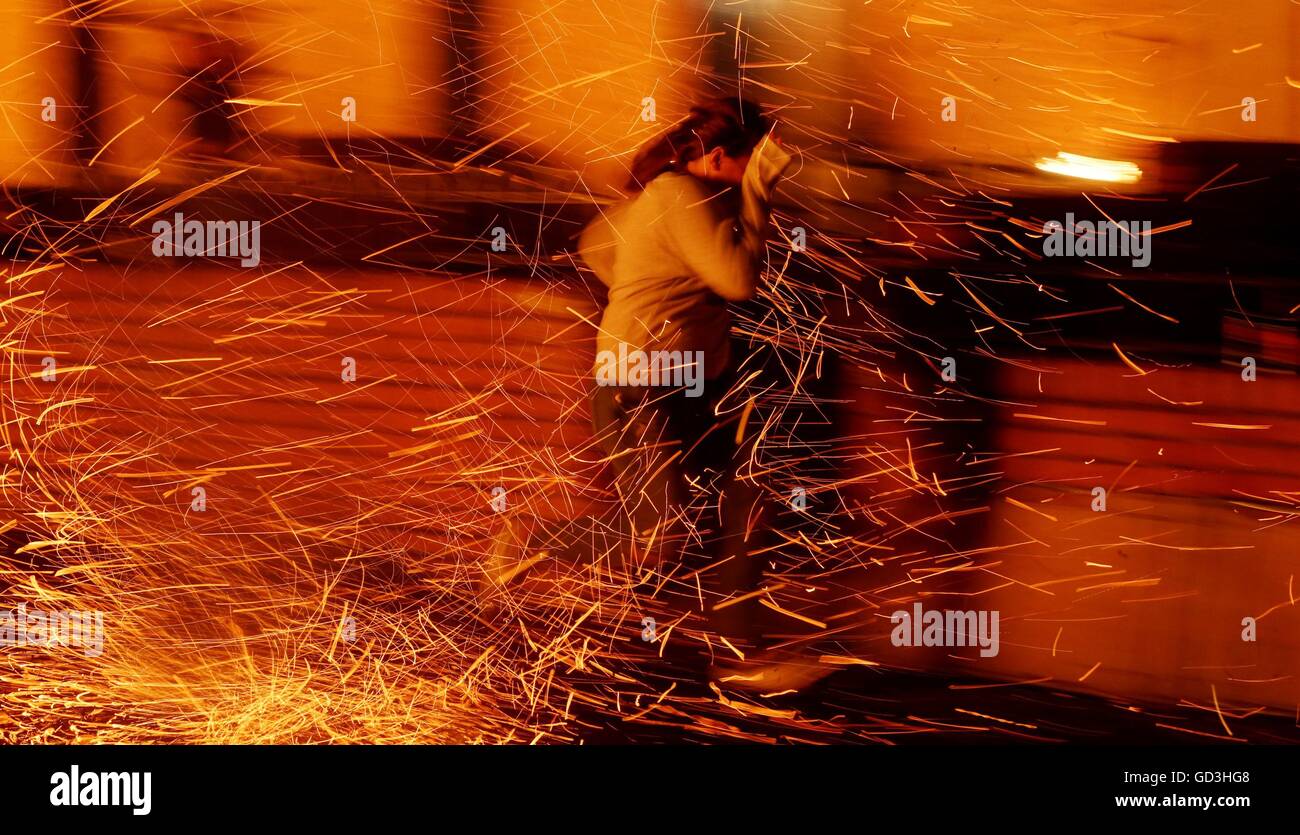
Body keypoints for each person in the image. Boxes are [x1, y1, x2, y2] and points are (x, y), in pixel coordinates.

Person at [575, 98, 826, 691]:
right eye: (750, 162)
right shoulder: (679, 194)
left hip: (690, 382)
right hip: (640, 385)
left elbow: (597, 245)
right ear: (718, 158)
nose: (755, 173)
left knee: (735, 514)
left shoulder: (680, 197)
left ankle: (741, 654)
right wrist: (759, 192)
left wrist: (656, 286)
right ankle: (533, 541)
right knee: (658, 535)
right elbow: (738, 280)